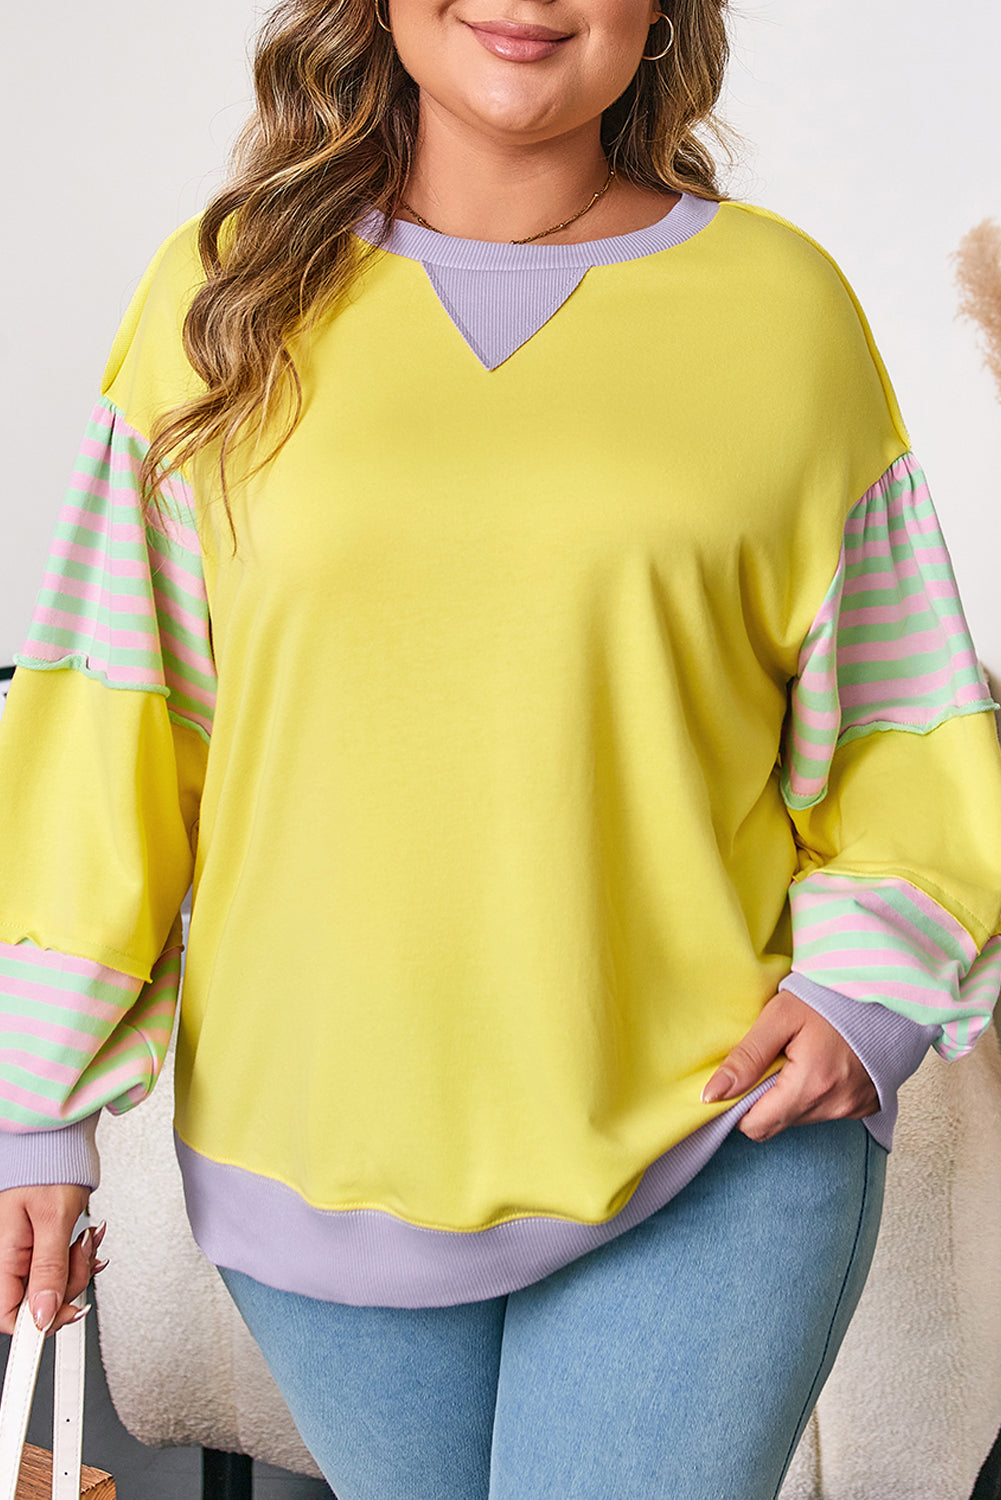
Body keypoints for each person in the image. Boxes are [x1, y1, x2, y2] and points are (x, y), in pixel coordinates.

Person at [1, 0, 1000, 1493]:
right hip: (311, 1147)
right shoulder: (218, 298)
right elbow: (113, 717)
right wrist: (33, 1103)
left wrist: (872, 985)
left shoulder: (781, 307)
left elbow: (900, 705)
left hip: (711, 1131)